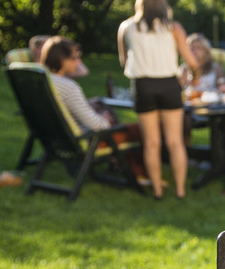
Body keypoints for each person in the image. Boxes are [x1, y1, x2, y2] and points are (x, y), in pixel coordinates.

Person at [117, 0, 198, 200]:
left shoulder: (126, 27)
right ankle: (180, 191)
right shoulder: (174, 28)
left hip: (142, 86)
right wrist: (193, 76)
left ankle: (157, 192)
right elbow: (191, 61)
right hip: (169, 85)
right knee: (175, 141)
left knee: (151, 143)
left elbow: (124, 61)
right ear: (163, 3)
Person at [41, 37, 146, 181]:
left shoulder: (44, 81)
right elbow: (98, 126)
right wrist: (105, 119)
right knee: (144, 129)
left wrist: (88, 104)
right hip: (85, 140)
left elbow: (61, 109)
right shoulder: (68, 86)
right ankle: (137, 171)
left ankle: (123, 164)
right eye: (74, 58)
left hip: (56, 138)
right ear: (61, 59)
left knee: (103, 108)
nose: (78, 62)